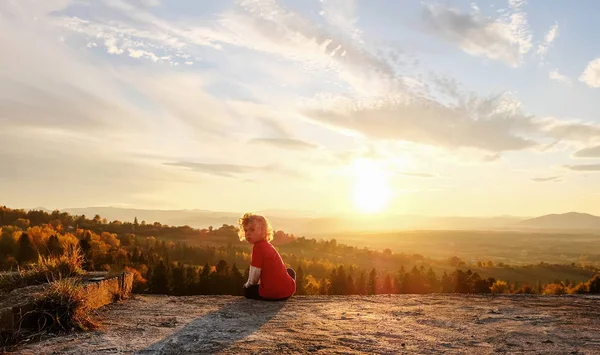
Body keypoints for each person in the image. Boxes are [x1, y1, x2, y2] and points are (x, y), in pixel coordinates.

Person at [238, 212, 296, 301]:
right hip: (288, 292)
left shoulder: (258, 248)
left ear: (263, 231)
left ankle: (274, 292)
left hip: (270, 294)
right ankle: (285, 289)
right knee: (290, 271)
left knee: (247, 290)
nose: (248, 233)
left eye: (252, 230)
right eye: (246, 230)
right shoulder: (268, 245)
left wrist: (248, 285)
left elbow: (255, 272)